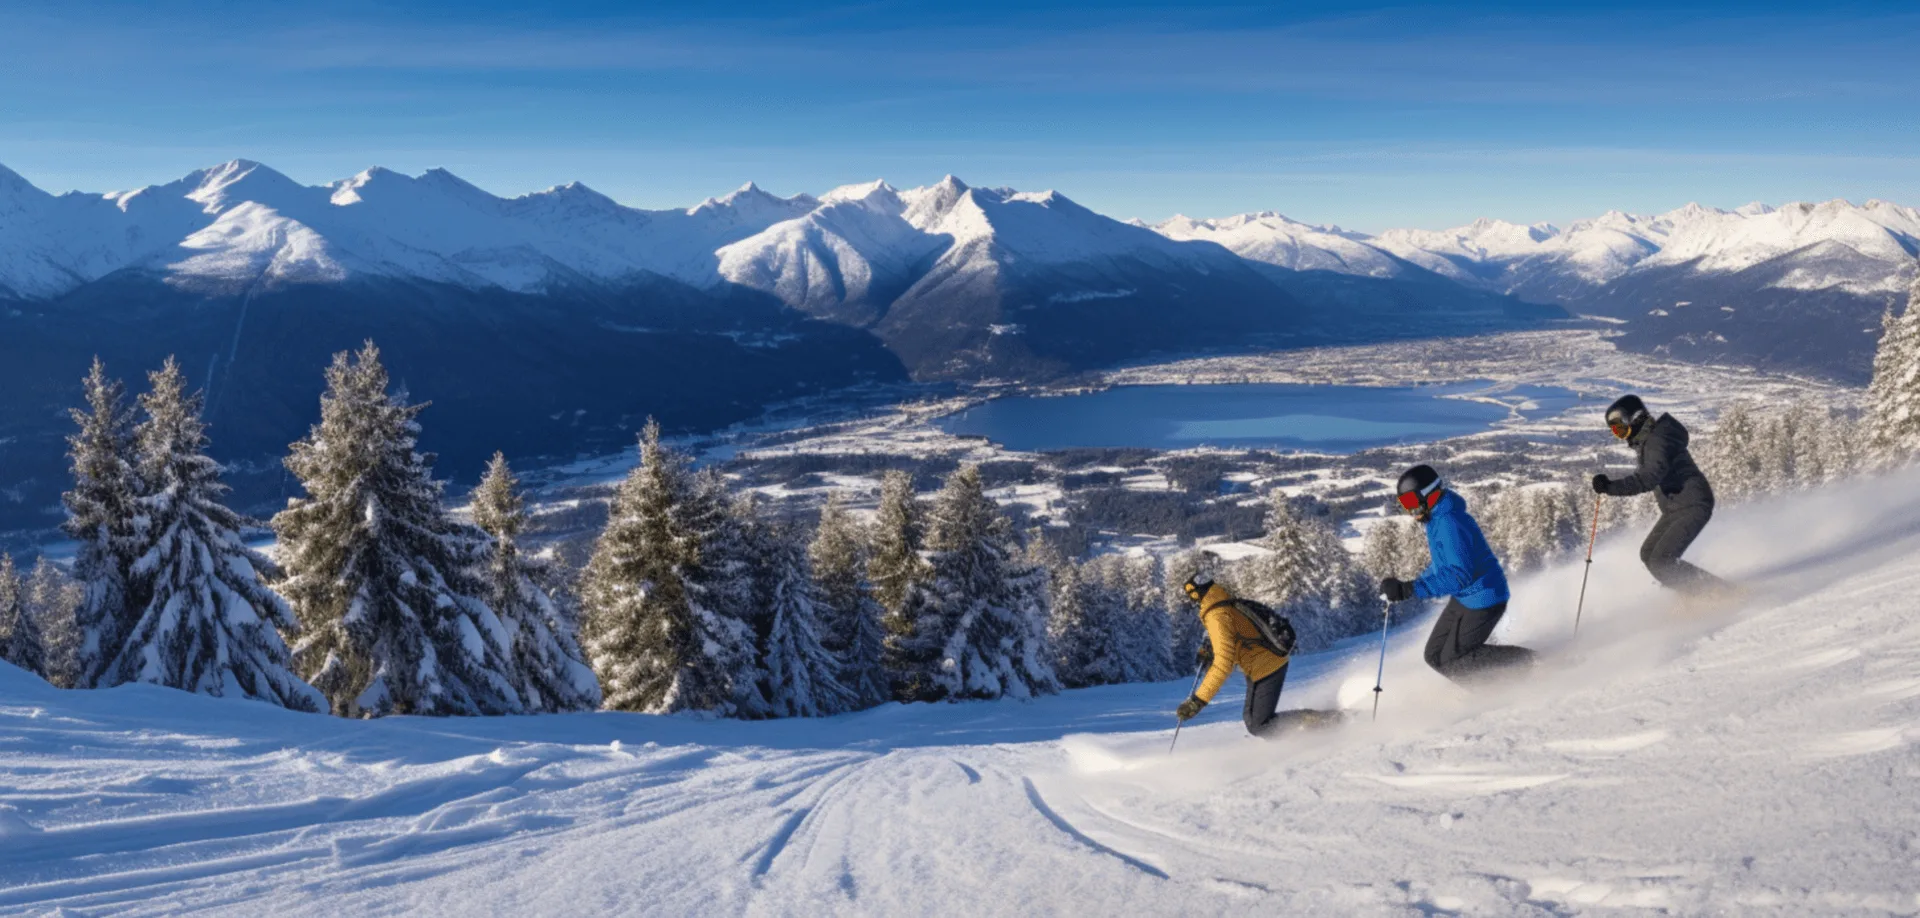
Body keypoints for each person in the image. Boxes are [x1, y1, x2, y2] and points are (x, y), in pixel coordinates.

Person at [1379, 464, 1534, 685]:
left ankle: (1532, 664)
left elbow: (1459, 575)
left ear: (1429, 494)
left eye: (1411, 502)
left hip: (1485, 598)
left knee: (1455, 660)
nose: (1409, 510)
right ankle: (1488, 690)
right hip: (1466, 597)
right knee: (1434, 656)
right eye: (1404, 504)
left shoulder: (1449, 523)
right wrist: (1410, 585)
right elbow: (1442, 565)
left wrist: (1411, 589)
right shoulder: (1436, 519)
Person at [1590, 394, 1728, 595]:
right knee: (1648, 554)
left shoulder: (1657, 442)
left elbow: (1648, 478)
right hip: (1677, 506)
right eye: (1616, 432)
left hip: (1693, 504)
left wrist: (1610, 487)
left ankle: (1717, 593)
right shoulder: (1648, 440)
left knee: (1661, 561)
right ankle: (1696, 592)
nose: (1622, 436)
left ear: (1635, 419)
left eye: (1621, 429)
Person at [1173, 573, 1334, 737]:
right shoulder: (1223, 603)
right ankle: (1312, 728)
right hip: (1262, 663)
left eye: (1189, 596)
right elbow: (1238, 636)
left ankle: (1327, 722)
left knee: (1260, 725)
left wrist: (1198, 701)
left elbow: (1223, 663)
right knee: (1252, 721)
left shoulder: (1217, 615)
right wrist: (1212, 650)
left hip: (1266, 665)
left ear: (1196, 595)